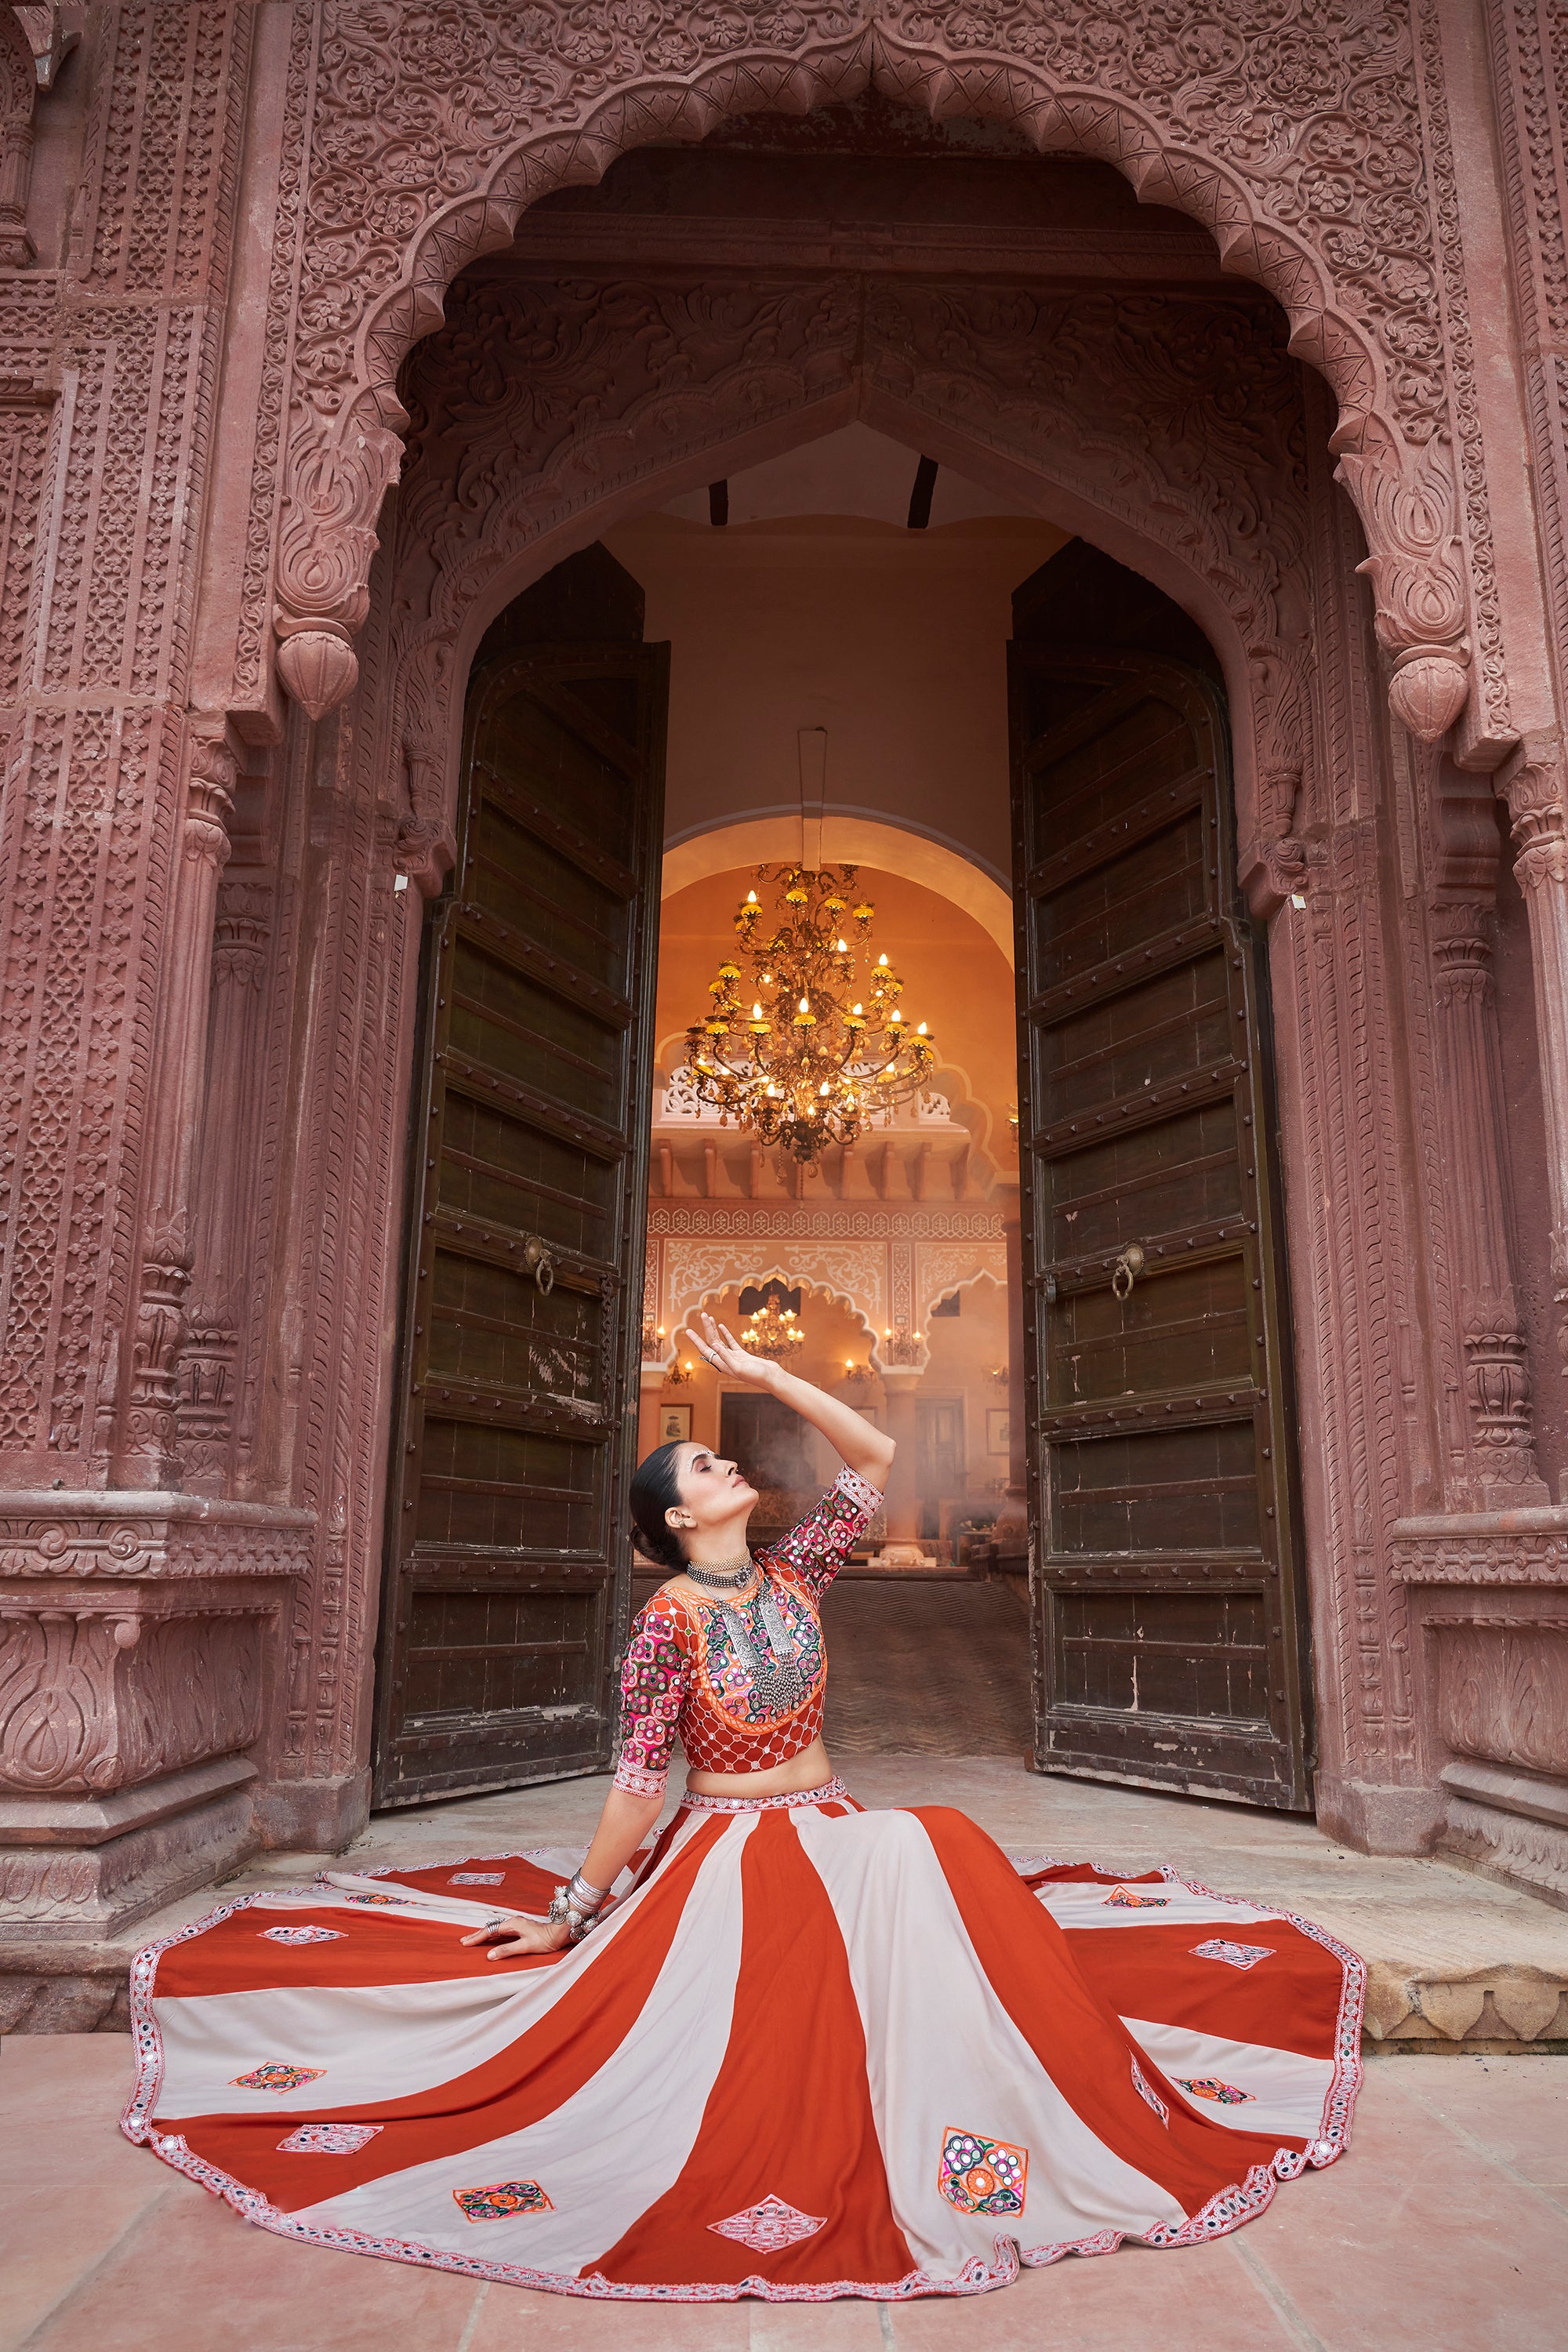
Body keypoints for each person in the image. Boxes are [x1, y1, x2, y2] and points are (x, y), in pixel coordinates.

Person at [123, 1316, 1363, 2304]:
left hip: (832, 1822)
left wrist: (772, 1369)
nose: (732, 1468)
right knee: (910, 1867)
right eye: (708, 1467)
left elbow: (873, 1460)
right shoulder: (666, 1623)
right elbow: (635, 1780)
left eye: (724, 1458)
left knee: (931, 1846)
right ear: (676, 1519)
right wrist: (571, 1911)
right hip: (726, 1849)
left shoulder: (796, 1569)